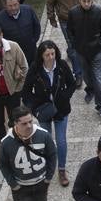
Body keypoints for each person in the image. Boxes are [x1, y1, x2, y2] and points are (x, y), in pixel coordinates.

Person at [21, 40, 76, 186]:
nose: (51, 57)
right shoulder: (35, 68)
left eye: (52, 53)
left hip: (61, 110)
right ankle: (48, 167)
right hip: (43, 111)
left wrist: (65, 96)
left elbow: (72, 84)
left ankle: (62, 170)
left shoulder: (62, 66)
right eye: (47, 55)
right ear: (42, 56)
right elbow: (26, 92)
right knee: (46, 141)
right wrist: (34, 108)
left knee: (61, 141)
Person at [67, 0, 101, 117]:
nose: (87, 4)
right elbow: (69, 30)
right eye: (84, 1)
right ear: (79, 1)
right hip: (81, 51)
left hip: (96, 51)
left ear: (92, 1)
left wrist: (100, 43)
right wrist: (74, 44)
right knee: (86, 76)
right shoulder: (73, 12)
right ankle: (90, 89)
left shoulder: (99, 11)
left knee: (99, 78)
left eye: (89, 1)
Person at [46, 0, 88, 86]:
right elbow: (50, 2)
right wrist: (51, 17)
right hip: (66, 21)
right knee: (73, 46)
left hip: (83, 18)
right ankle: (78, 74)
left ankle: (72, 54)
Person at [0, 0, 41, 66]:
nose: (13, 8)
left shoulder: (28, 10)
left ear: (19, 3)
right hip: (13, 54)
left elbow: (36, 26)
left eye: (15, 5)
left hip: (31, 50)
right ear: (5, 6)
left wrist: (33, 41)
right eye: (10, 6)